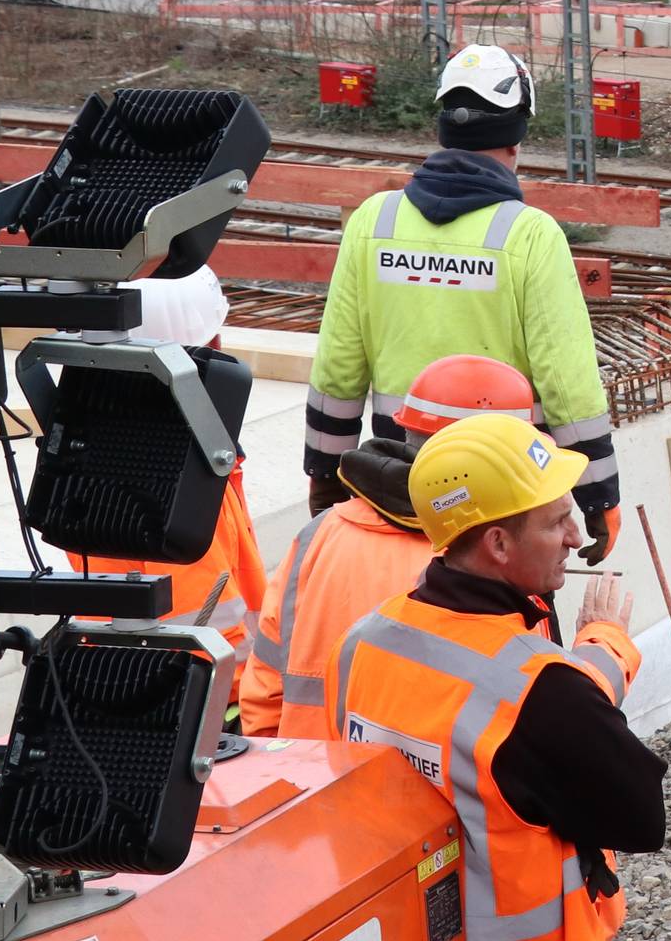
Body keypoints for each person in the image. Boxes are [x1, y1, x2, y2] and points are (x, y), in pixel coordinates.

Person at [332, 413, 663, 941]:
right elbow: (640, 819)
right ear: (499, 544)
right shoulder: (543, 693)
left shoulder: (363, 644)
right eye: (557, 522)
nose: (575, 537)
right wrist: (606, 646)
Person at [305, 43, 624, 564]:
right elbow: (568, 382)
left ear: (443, 129)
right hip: (504, 496)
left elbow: (338, 369)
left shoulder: (373, 222)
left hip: (398, 483)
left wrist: (325, 474)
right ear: (517, 137)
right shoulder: (529, 235)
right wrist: (599, 493)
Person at [243, 354, 538, 738]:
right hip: (426, 797)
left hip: (309, 784)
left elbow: (265, 689)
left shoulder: (319, 534)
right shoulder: (489, 558)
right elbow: (532, 716)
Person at [79, 268, 266, 685]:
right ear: (211, 347)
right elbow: (206, 627)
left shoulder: (100, 437)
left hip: (116, 680)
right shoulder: (185, 472)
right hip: (204, 700)